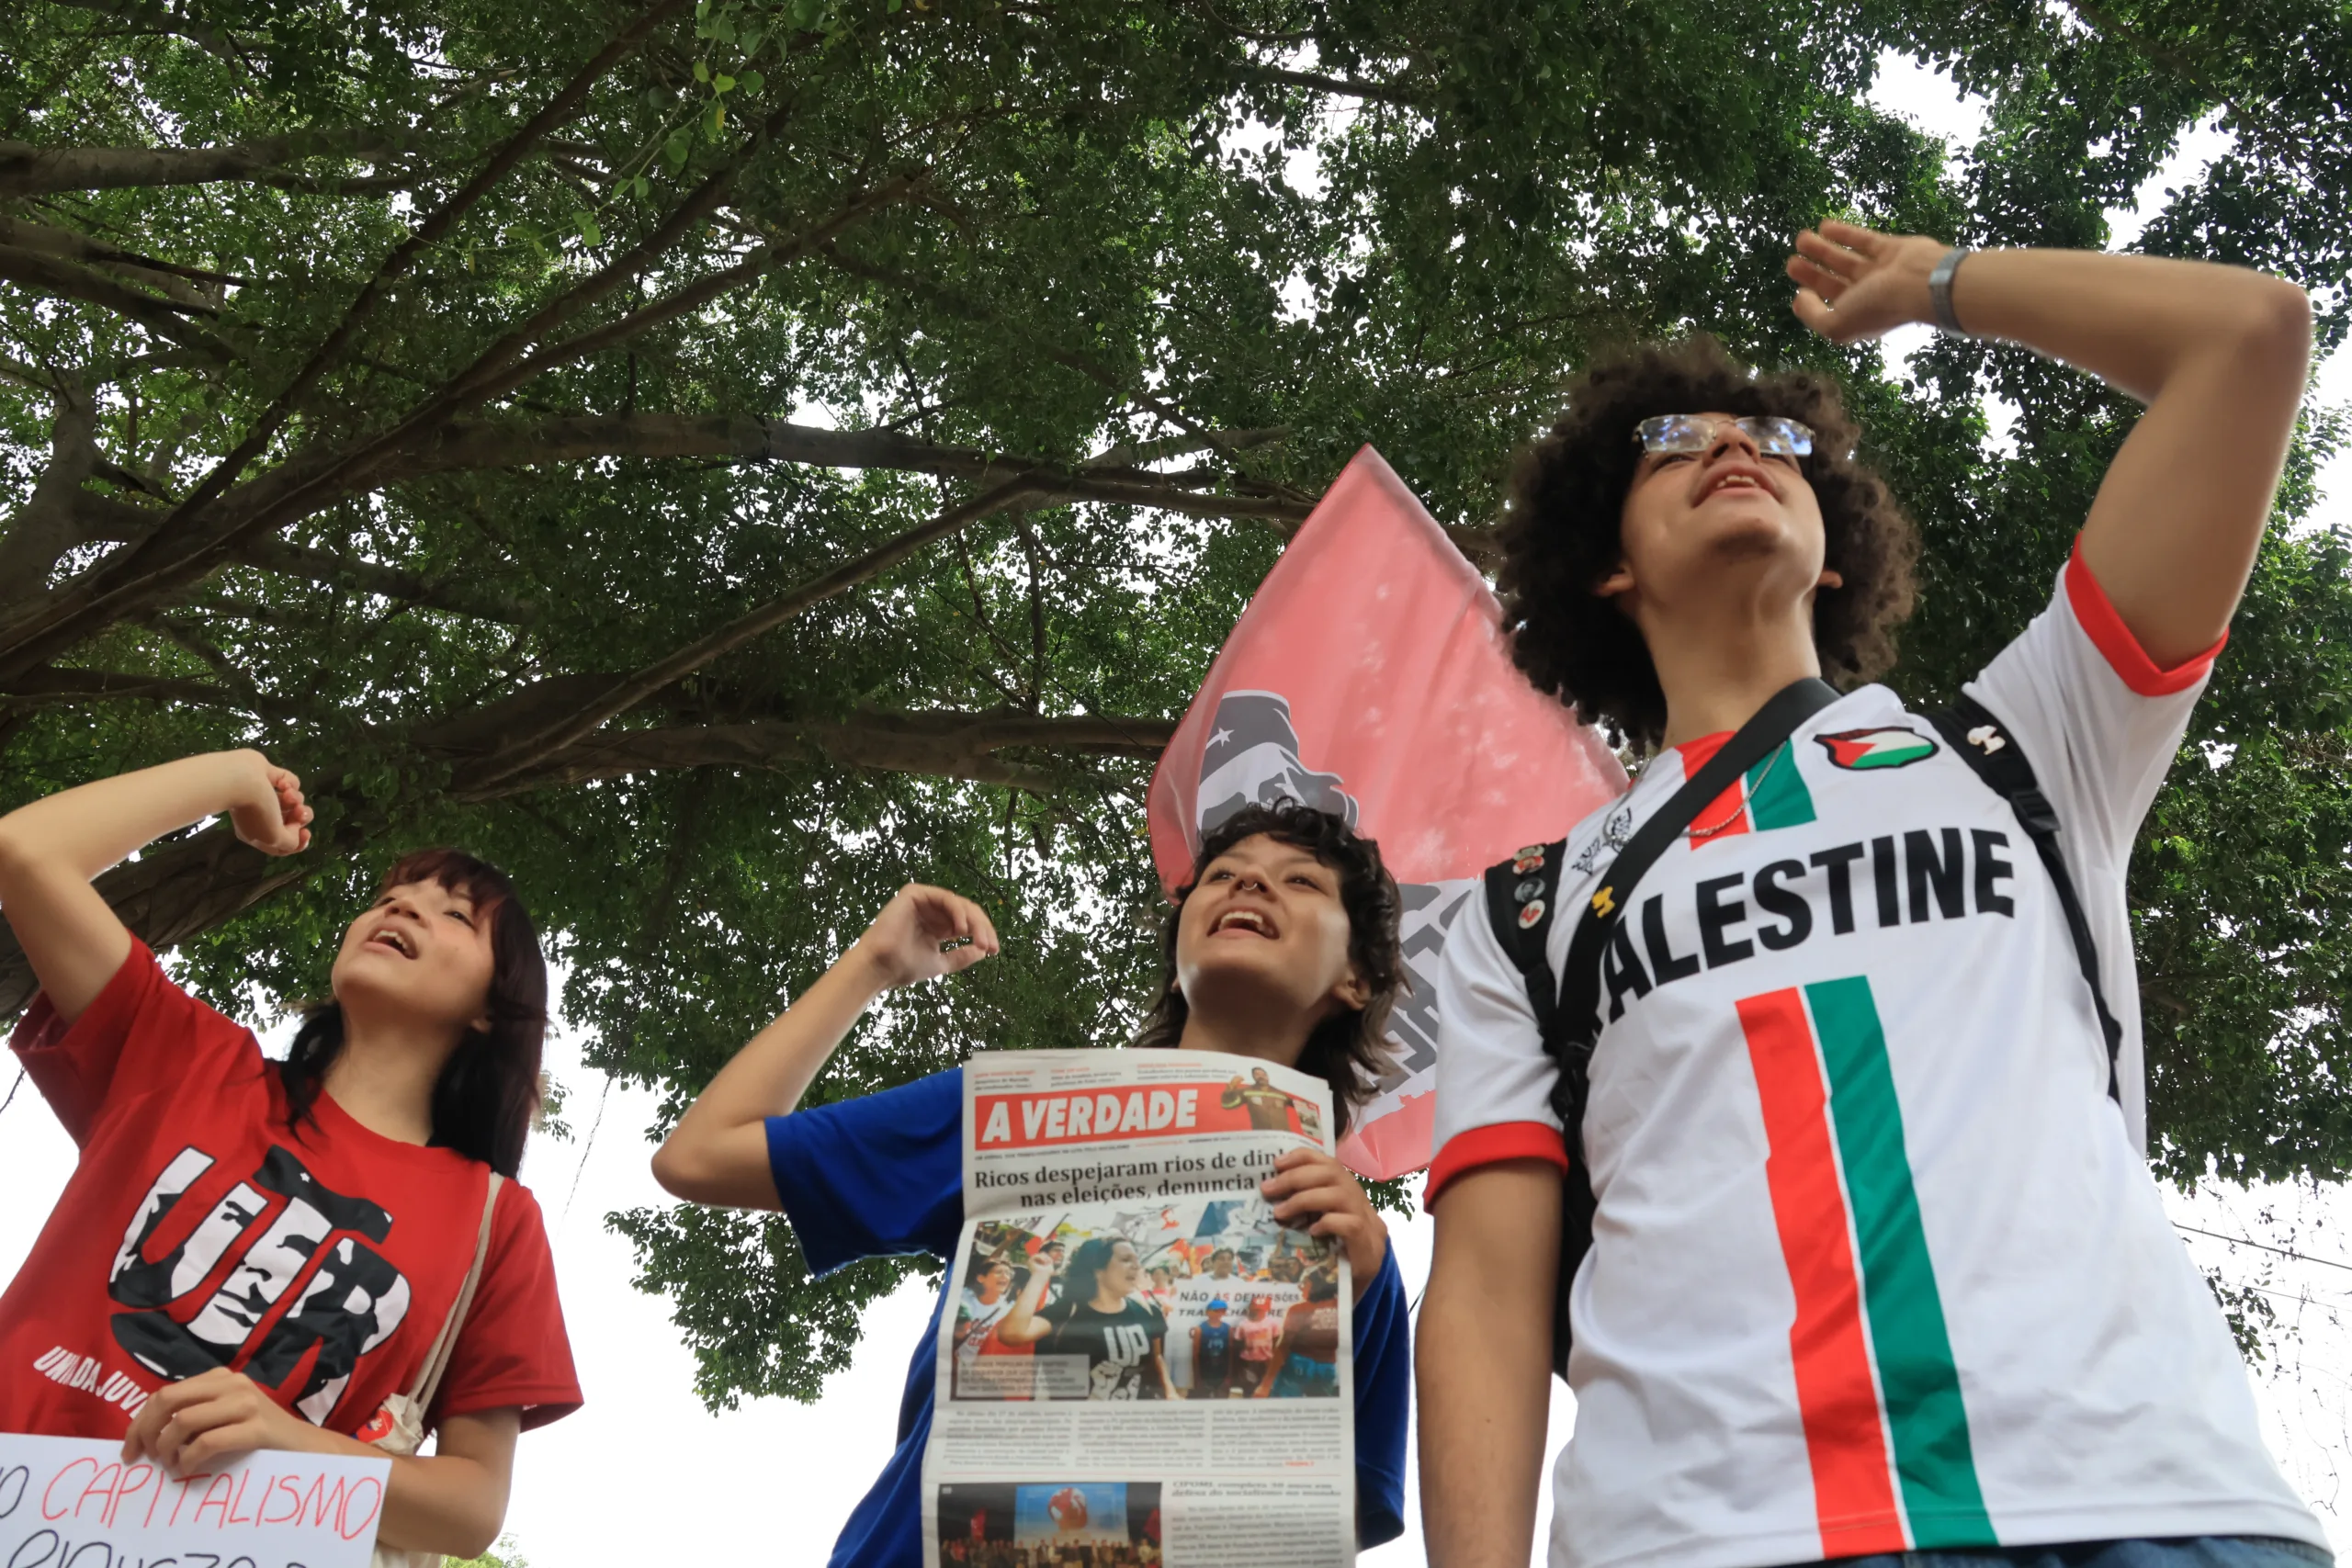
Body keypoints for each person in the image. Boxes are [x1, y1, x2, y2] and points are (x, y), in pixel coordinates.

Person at [1417, 220, 2325, 1568]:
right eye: (1673, 442)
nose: (1733, 444)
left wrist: (1944, 287)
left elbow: (2248, 339)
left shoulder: (2033, 742)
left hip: (2155, 1496)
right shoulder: (1523, 912)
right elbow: (1487, 1290)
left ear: (1829, 548)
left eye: (1775, 442)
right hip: (1710, 1533)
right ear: (1607, 563)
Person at [650, 800, 1414, 1562]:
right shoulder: (1013, 1120)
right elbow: (701, 1155)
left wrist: (1323, 1317)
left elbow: (1318, 1528)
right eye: (1222, 874)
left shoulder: (1357, 1256)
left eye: (1301, 881)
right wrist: (873, 966)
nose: (1249, 883)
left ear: (1356, 977)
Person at [0, 749, 581, 1559]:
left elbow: (471, 1506)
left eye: (453, 913)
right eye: (388, 895)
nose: (404, 908)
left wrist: (284, 1439)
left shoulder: (496, 1221)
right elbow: (28, 852)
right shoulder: (189, 1060)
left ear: (494, 1008)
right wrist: (236, 776)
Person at [991, 1235, 1175, 1400]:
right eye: (1126, 1260)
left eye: (1137, 1260)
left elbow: (1157, 1356)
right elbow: (1011, 1334)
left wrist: (1170, 1391)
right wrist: (1040, 1276)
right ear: (1098, 1270)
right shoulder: (1067, 1312)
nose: (1137, 1266)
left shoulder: (1148, 1311)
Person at [1260, 1262, 1342, 1399]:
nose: (1300, 1287)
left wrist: (1266, 1383)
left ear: (1316, 1286)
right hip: (1327, 1368)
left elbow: (1283, 1345)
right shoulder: (1341, 1306)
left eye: (1305, 1283)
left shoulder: (1299, 1310)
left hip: (1299, 1365)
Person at [1232, 1293, 1280, 1393]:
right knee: (1249, 1388)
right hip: (1249, 1361)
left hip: (1267, 1360)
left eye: (1260, 1309)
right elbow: (1238, 1343)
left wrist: (1274, 1361)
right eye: (1255, 1309)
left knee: (1266, 1388)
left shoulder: (1272, 1323)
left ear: (1266, 1310)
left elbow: (1276, 1342)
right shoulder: (1243, 1324)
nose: (1257, 1312)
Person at [1190, 1299, 1237, 1399]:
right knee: (1204, 1401)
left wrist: (1229, 1374)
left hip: (1222, 1374)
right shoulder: (1200, 1329)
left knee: (1222, 1401)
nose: (1218, 1313)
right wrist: (1197, 1377)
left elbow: (1230, 1353)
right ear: (1208, 1312)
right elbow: (1195, 1354)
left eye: (1222, 1311)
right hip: (1205, 1374)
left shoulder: (1227, 1328)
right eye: (1216, 1311)